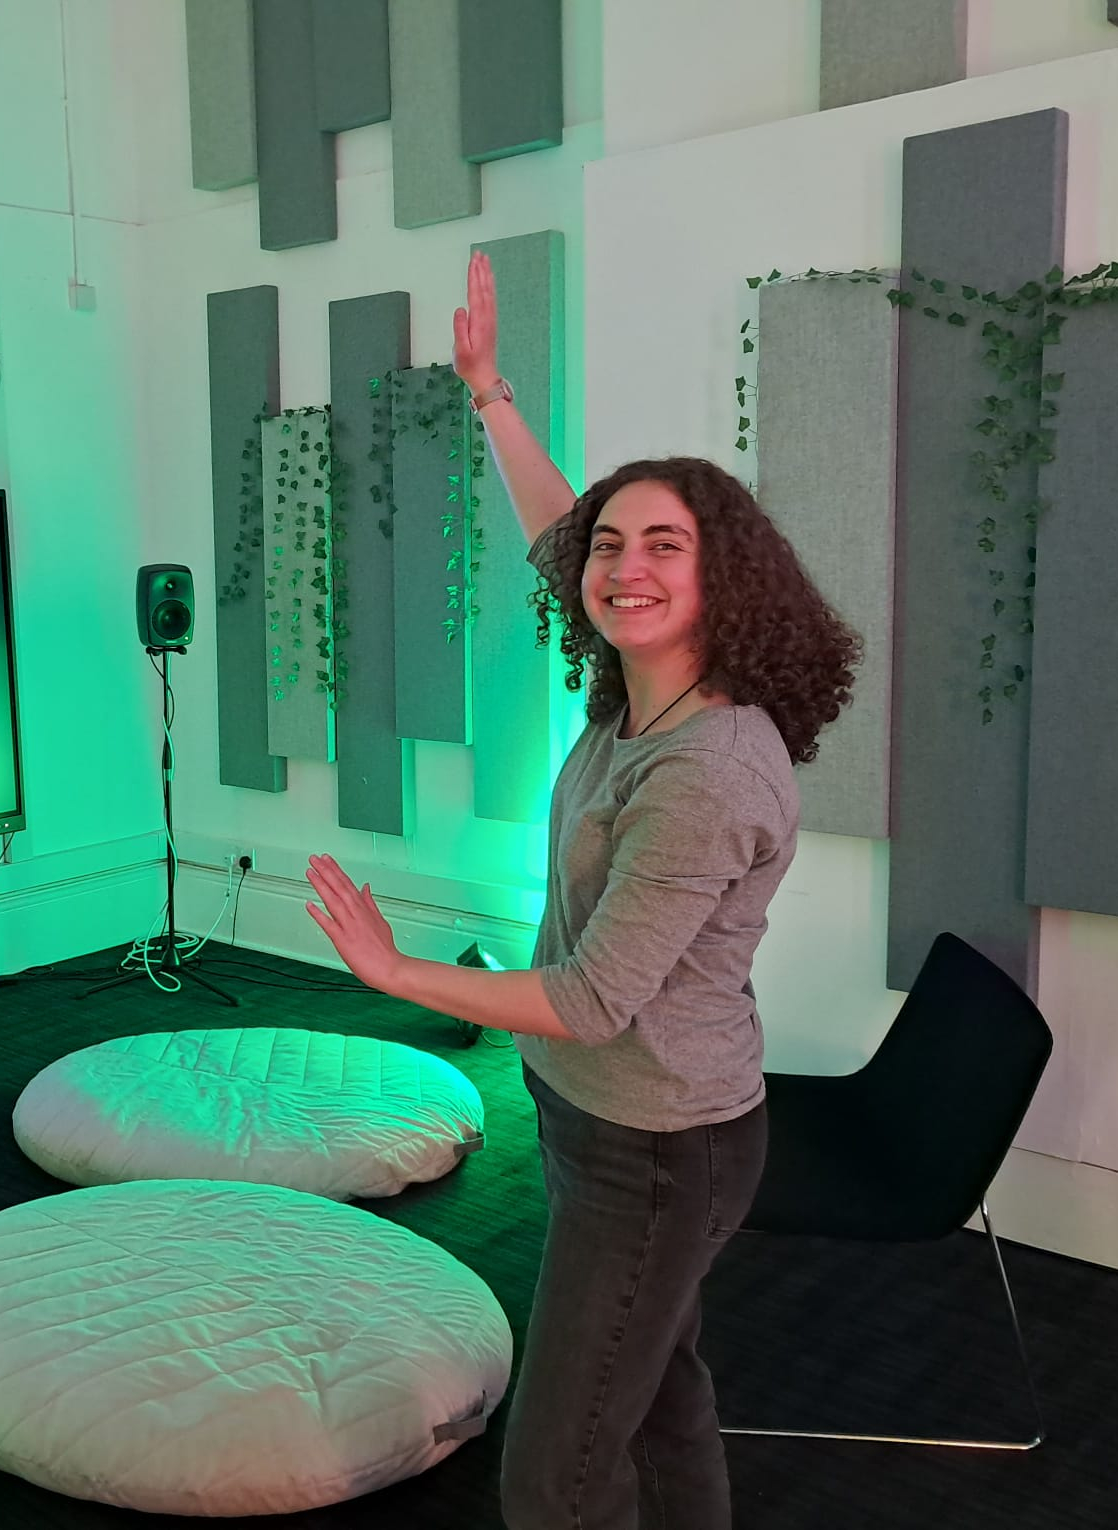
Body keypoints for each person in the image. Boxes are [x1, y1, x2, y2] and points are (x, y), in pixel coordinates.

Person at [303, 250, 861, 1529]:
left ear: (724, 579)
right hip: (603, 1117)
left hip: (656, 1145)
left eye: (666, 546)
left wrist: (394, 973)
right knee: (656, 1394)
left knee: (554, 1475)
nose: (622, 568)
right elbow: (561, 534)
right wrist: (489, 393)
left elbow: (594, 998)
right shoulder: (638, 693)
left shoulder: (708, 766)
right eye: (613, 547)